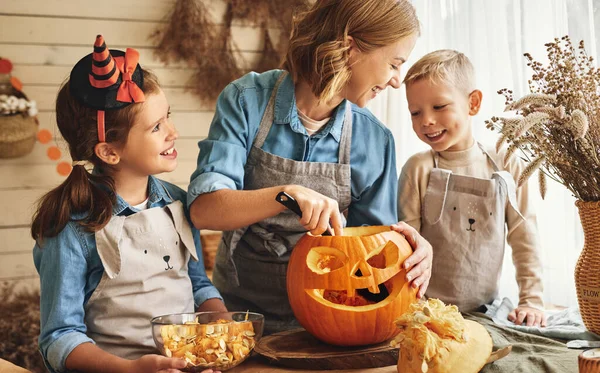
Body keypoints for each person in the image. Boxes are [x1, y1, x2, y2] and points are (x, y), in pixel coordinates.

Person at [188, 0, 433, 335]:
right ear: (351, 48)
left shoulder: (376, 140)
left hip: (332, 327)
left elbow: (372, 256)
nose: (395, 81)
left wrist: (412, 252)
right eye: (394, 64)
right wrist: (286, 195)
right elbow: (205, 211)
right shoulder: (247, 100)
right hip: (237, 322)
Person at [31, 35, 225, 373]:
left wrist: (221, 320)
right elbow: (60, 338)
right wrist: (132, 369)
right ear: (109, 151)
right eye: (156, 127)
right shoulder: (72, 226)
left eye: (168, 116)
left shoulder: (178, 203)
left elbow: (197, 284)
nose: (173, 132)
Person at [398, 49, 546, 326]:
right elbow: (408, 249)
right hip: (426, 310)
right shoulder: (417, 168)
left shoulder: (505, 163)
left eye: (439, 107)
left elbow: (524, 234)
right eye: (415, 112)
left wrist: (531, 300)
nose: (426, 120)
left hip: (485, 312)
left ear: (473, 103)